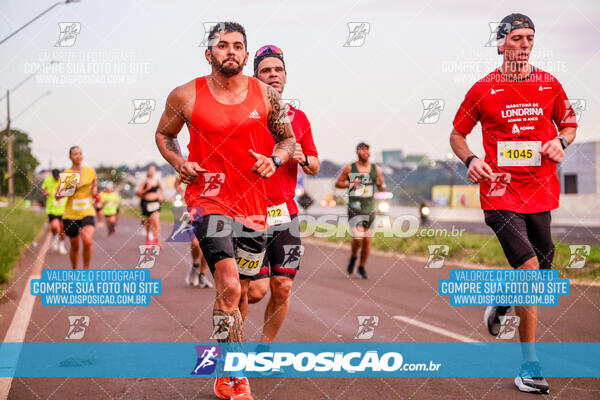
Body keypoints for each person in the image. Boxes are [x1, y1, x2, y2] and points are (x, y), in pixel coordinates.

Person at [154, 22, 295, 400]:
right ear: (209, 54)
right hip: (208, 200)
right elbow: (164, 135)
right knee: (230, 284)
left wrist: (275, 160)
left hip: (253, 206)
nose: (230, 51)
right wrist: (177, 162)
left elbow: (287, 139)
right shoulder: (185, 95)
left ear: (246, 55)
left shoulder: (266, 96)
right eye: (222, 45)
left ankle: (224, 360)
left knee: (241, 293)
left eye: (237, 46)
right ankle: (235, 375)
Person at [450, 13, 577, 394]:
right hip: (500, 193)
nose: (524, 44)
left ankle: (503, 302)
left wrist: (562, 142)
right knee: (529, 269)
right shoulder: (482, 89)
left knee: (540, 276)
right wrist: (472, 160)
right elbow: (457, 135)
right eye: (518, 38)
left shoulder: (550, 85)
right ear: (502, 42)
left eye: (530, 38)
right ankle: (530, 365)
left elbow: (569, 125)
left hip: (540, 192)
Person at [245, 44, 320, 344]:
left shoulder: (298, 118)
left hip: (285, 213)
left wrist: (302, 157)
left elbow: (315, 163)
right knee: (255, 291)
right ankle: (230, 332)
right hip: (249, 212)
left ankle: (264, 350)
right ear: (255, 77)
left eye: (278, 69)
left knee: (283, 287)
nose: (273, 74)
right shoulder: (245, 114)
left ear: (286, 76)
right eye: (266, 70)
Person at [335, 142, 386, 279]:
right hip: (354, 208)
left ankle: (361, 267)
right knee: (358, 238)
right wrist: (350, 184)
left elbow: (382, 187)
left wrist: (381, 186)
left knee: (367, 241)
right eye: (362, 150)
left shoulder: (376, 169)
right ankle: (353, 257)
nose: (365, 153)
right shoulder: (350, 168)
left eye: (367, 151)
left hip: (369, 208)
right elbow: (338, 183)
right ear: (357, 152)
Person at [56, 146, 97, 269]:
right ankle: (75, 271)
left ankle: (85, 272)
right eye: (75, 154)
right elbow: (58, 196)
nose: (78, 156)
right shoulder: (67, 174)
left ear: (82, 156)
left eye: (80, 153)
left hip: (87, 211)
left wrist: (95, 190)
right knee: (75, 246)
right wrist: (70, 188)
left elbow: (94, 183)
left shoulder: (90, 172)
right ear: (70, 157)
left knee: (87, 240)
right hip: (71, 214)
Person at [174, 175, 213, 288]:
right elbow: (177, 182)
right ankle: (195, 266)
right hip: (192, 213)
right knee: (195, 243)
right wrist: (181, 191)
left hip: (208, 212)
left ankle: (202, 274)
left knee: (207, 245)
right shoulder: (192, 169)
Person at [40, 169, 67, 254]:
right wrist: (46, 192)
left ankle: (61, 244)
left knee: (63, 228)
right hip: (52, 209)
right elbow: (43, 188)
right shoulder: (48, 180)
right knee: (55, 226)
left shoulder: (64, 181)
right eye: (55, 177)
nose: (56, 179)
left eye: (57, 177)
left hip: (63, 209)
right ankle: (55, 237)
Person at [137, 165, 163, 248]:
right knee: (149, 222)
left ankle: (157, 240)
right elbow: (139, 193)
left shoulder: (157, 181)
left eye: (153, 170)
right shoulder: (144, 182)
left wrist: (160, 196)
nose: (152, 171)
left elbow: (162, 190)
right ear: (148, 171)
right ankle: (148, 239)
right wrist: (146, 190)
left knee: (156, 221)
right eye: (150, 170)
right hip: (146, 204)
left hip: (155, 203)